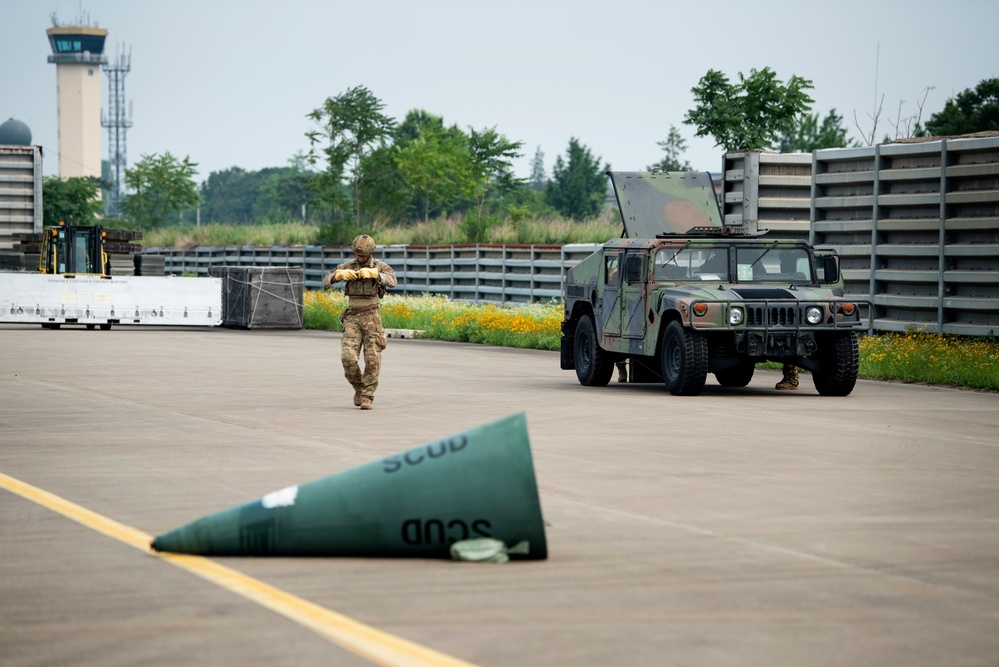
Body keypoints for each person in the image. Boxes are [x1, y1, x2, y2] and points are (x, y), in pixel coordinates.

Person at [322, 234, 397, 410]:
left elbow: (393, 281)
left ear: (370, 253)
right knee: (347, 357)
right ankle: (359, 387)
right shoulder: (347, 266)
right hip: (353, 317)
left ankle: (367, 396)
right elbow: (326, 280)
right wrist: (337, 276)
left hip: (372, 316)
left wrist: (376, 274)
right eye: (357, 255)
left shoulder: (380, 266)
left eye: (363, 255)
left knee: (372, 359)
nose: (360, 258)